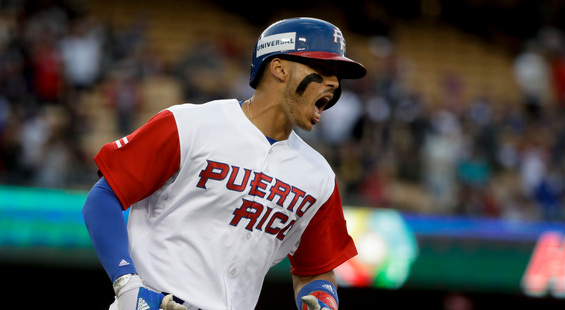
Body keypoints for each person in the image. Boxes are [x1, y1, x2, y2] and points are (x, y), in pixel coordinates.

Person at [82, 17, 366, 310]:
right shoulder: (188, 124)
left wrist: (323, 299)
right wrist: (126, 284)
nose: (334, 82)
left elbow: (316, 269)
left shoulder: (318, 176)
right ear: (279, 68)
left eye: (337, 75)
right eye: (323, 69)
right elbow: (103, 197)